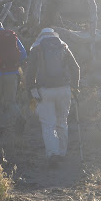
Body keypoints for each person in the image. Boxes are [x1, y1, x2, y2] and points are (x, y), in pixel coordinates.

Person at [24, 28, 80, 167]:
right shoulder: (63, 46)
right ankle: (62, 153)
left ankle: (53, 154)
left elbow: (30, 73)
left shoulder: (36, 48)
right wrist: (75, 87)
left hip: (44, 91)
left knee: (48, 125)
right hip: (64, 89)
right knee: (62, 122)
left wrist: (31, 91)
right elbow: (76, 68)